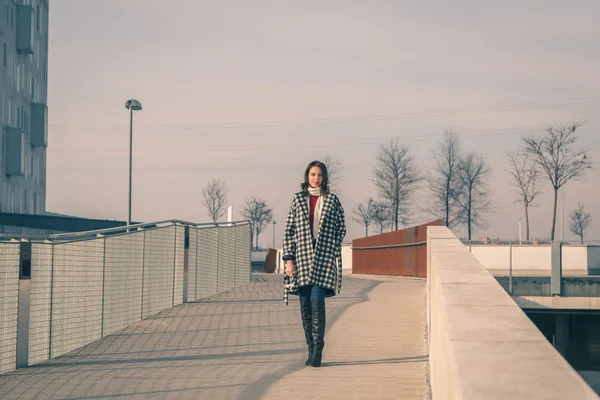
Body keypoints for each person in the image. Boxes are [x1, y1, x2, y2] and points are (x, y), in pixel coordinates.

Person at [282, 160, 346, 368]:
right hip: (301, 257)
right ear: (307, 177)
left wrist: (330, 247)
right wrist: (288, 260)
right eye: (312, 174)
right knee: (305, 305)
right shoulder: (298, 200)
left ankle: (318, 350)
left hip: (322, 258)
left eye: (319, 174)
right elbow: (289, 231)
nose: (316, 178)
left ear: (324, 177)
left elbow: (341, 228)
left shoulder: (332, 200)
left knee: (317, 301)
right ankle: (310, 347)